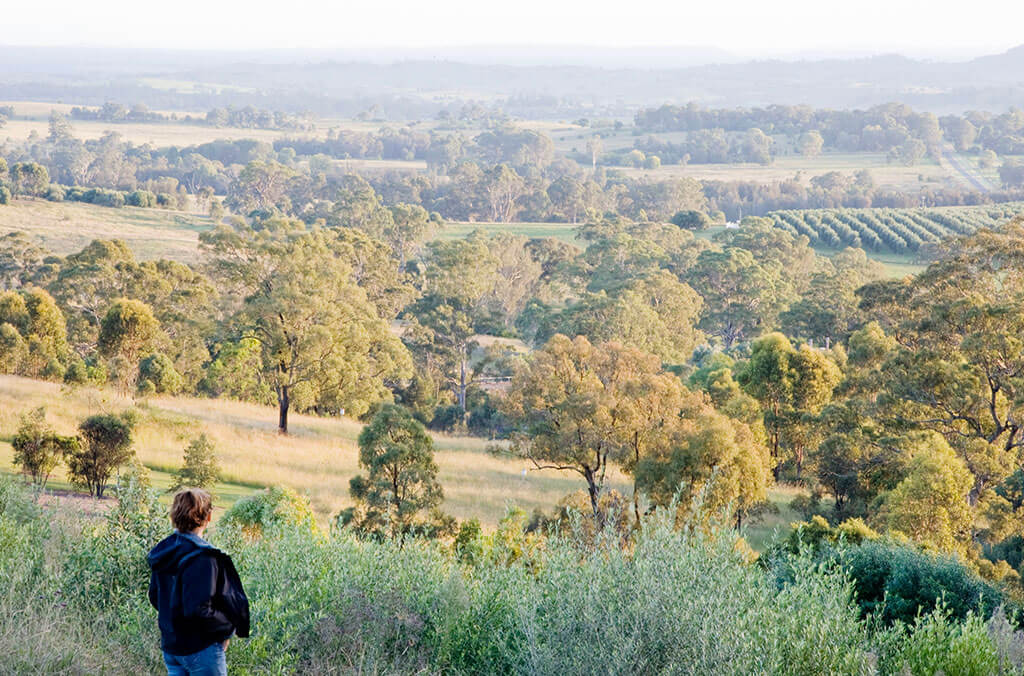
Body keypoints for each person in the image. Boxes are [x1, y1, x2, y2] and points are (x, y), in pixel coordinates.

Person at [148, 488, 250, 676]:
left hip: (172, 648)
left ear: (174, 515)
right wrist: (227, 629)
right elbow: (199, 609)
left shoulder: (166, 551)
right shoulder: (204, 558)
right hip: (200, 649)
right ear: (208, 517)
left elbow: (155, 596)